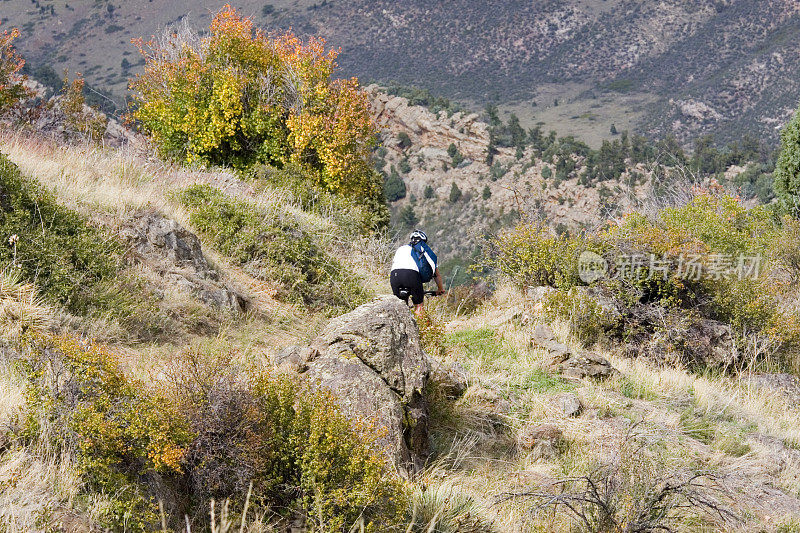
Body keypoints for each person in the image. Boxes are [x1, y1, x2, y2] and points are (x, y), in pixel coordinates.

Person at [390, 229, 445, 317]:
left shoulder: (401, 248)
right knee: (419, 305)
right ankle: (421, 328)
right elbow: (436, 274)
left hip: (395, 275)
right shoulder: (423, 250)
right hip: (411, 276)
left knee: (400, 306)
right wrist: (440, 289)